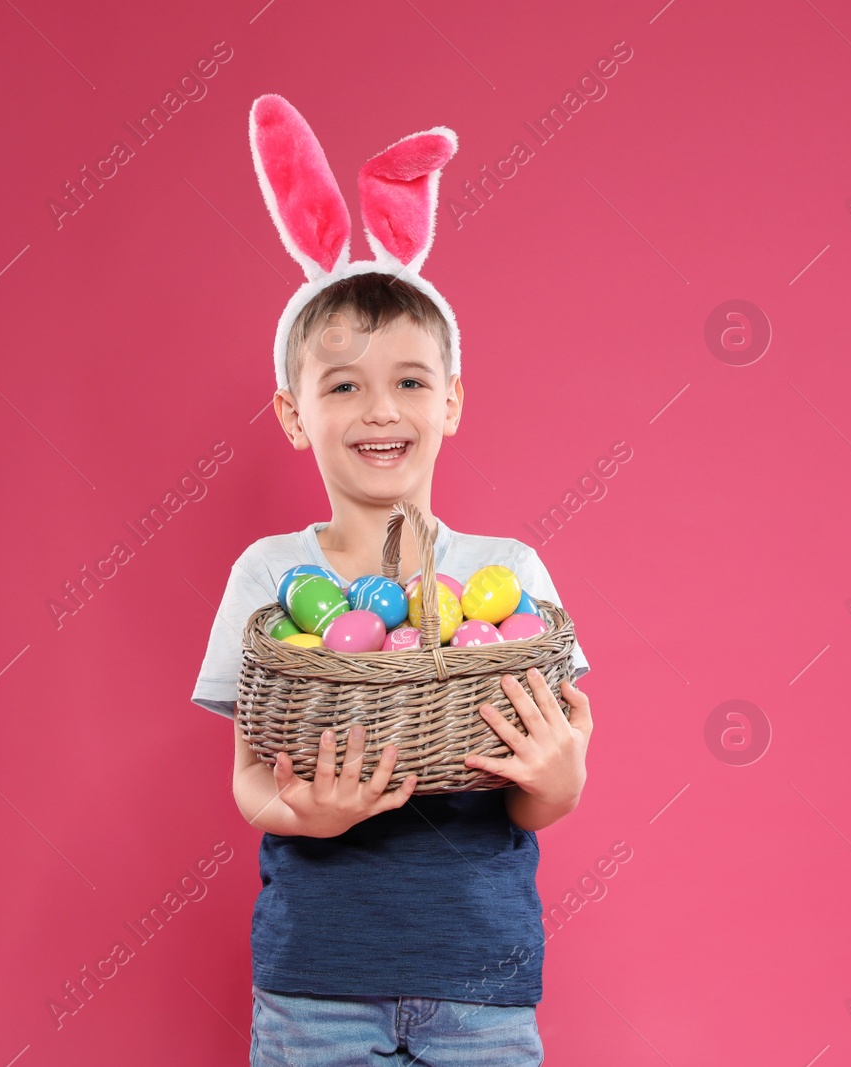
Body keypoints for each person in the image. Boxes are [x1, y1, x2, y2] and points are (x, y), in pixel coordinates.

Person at [190, 95, 595, 1067]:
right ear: (294, 413)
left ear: (451, 399)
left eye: (410, 379)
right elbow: (252, 774)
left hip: (481, 978)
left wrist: (559, 781)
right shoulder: (271, 575)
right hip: (316, 979)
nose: (381, 408)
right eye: (343, 384)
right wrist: (301, 813)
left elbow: (551, 763)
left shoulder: (505, 572)